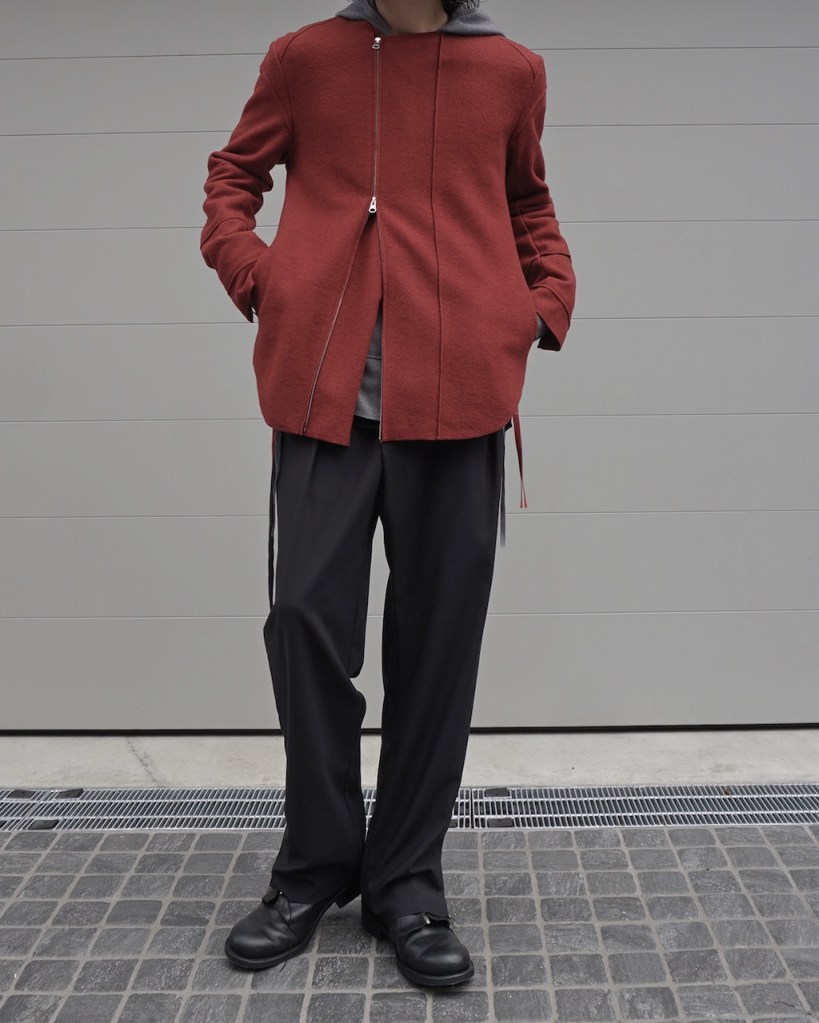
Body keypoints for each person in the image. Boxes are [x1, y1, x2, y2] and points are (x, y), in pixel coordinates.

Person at [200, 0, 576, 989]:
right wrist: (261, 277)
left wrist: (539, 304)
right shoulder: (304, 57)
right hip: (323, 401)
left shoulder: (512, 71)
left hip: (460, 399)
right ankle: (315, 864)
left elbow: (529, 202)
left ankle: (406, 884)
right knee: (302, 622)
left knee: (439, 646)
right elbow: (233, 177)